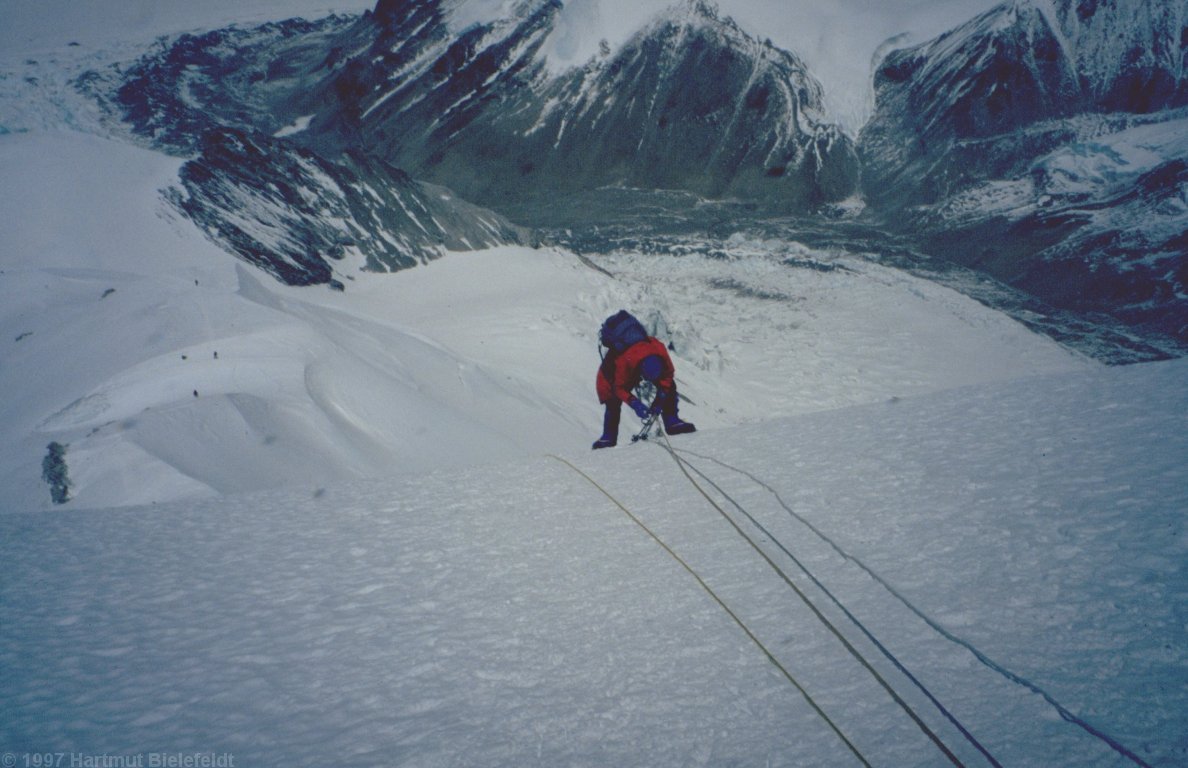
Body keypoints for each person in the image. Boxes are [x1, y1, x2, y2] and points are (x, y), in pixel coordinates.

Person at [593, 310, 696, 449]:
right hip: (614, 374)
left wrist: (661, 396)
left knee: (669, 386)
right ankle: (608, 437)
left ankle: (672, 421)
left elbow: (667, 375)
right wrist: (634, 403)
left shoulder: (658, 348)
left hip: (635, 365)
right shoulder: (624, 361)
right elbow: (618, 388)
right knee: (612, 400)